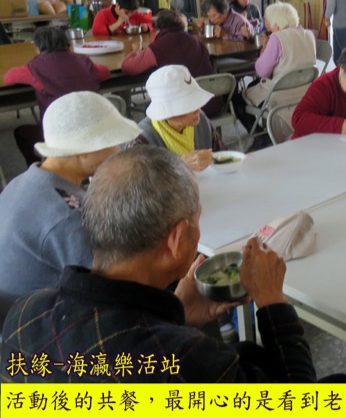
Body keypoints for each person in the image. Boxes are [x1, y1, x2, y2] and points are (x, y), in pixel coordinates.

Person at [1, 146, 324, 382]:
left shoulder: (25, 313)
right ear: (177, 239)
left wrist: (175, 314)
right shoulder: (189, 361)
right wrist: (272, 302)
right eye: (197, 220)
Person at [0, 92, 141, 301]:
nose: (117, 150)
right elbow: (114, 286)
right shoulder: (69, 217)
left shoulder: (24, 181)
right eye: (112, 142)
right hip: (42, 314)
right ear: (84, 149)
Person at [4, 27, 112, 165]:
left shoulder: (34, 67)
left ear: (36, 46)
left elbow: (8, 78)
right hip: (93, 130)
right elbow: (105, 72)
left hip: (58, 135)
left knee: (20, 133)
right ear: (67, 43)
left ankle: (38, 166)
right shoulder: (84, 61)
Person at [235, 2, 317, 135]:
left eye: (267, 22)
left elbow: (262, 72)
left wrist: (264, 48)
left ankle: (258, 135)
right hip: (305, 90)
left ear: (277, 25)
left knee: (237, 99)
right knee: (252, 86)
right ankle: (267, 130)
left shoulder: (277, 38)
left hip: (279, 93)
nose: (266, 25)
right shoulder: (308, 34)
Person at [128, 65, 222, 172]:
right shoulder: (141, 140)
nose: (198, 110)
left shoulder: (202, 122)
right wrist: (178, 165)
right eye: (189, 105)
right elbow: (134, 181)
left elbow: (222, 156)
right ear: (168, 114)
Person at [121, 9, 212, 78]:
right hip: (206, 92)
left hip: (179, 94)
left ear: (158, 28)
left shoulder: (158, 47)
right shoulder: (195, 40)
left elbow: (128, 68)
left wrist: (136, 50)